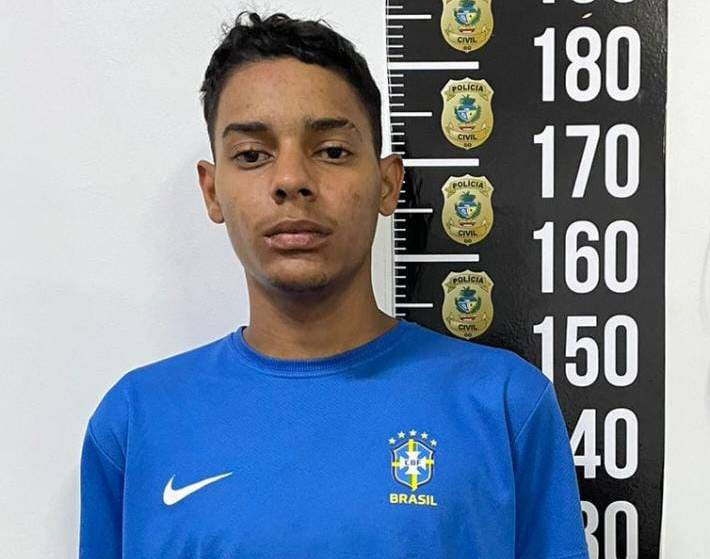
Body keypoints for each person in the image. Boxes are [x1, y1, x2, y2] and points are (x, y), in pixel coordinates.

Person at [78, 11, 589, 559]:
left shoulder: (504, 406)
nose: (291, 180)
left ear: (388, 184)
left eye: (332, 151)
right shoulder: (136, 422)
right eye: (252, 155)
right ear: (212, 191)